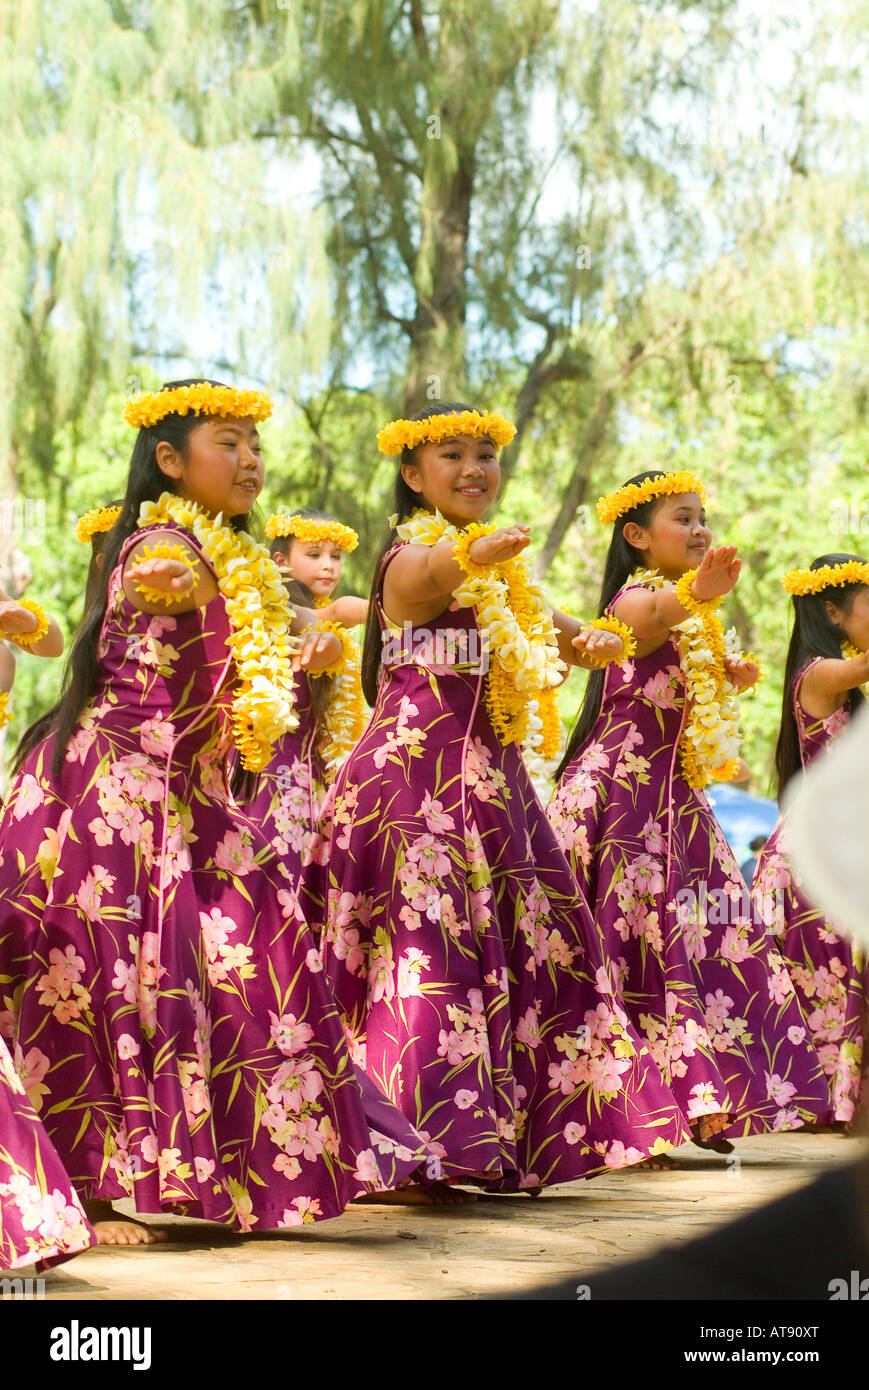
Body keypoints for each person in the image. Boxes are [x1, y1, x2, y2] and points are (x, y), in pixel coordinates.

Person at [0, 378, 434, 1249]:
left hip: (191, 801)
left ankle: (237, 1174)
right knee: (104, 984)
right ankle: (103, 1184)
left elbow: (273, 621)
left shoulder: (229, 556)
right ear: (169, 459)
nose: (249, 460)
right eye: (227, 442)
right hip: (109, 798)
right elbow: (154, 584)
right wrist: (165, 583)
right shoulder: (162, 544)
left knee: (257, 965)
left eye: (253, 445)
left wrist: (305, 635)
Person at [300, 403, 693, 1197]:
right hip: (413, 787)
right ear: (413, 476)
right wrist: (475, 551)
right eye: (454, 455)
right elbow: (434, 578)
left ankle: (509, 1143)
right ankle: (409, 1148)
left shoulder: (503, 576)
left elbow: (571, 637)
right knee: (427, 966)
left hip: (494, 788)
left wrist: (594, 640)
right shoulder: (410, 558)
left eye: (486, 452)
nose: (476, 466)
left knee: (545, 949)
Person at [546, 469, 830, 1153]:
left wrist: (720, 665)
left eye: (701, 515)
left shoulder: (688, 607)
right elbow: (645, 628)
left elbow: (679, 649)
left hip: (674, 801)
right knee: (629, 942)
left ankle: (696, 1097)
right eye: (682, 516)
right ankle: (644, 1106)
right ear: (638, 536)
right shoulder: (638, 595)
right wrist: (697, 595)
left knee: (705, 940)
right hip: (620, 794)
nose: (699, 527)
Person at [751, 555, 869, 1126]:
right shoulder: (822, 674)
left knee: (834, 979)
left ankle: (837, 1100)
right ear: (832, 612)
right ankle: (823, 1100)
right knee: (825, 981)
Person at [245, 508, 367, 870]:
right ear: (280, 560)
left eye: (336, 556)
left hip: (314, 771)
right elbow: (332, 617)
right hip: (273, 769)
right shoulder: (275, 610)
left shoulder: (323, 613)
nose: (328, 565)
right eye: (314, 555)